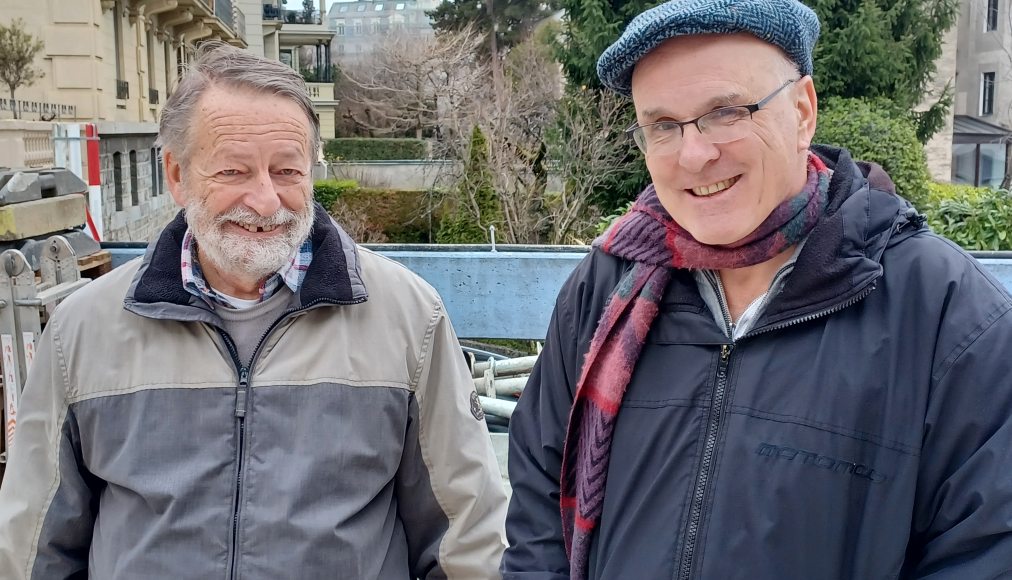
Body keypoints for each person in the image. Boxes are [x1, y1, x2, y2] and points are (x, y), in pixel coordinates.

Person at [502, 1, 1012, 578]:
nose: (695, 155)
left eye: (725, 112)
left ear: (802, 110)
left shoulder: (948, 316)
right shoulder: (604, 287)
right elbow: (539, 506)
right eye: (663, 125)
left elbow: (983, 551)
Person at [0, 42, 507, 579]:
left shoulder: (408, 319)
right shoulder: (83, 331)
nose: (266, 200)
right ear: (177, 174)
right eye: (234, 172)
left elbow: (466, 540)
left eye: (287, 171)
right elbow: (34, 549)